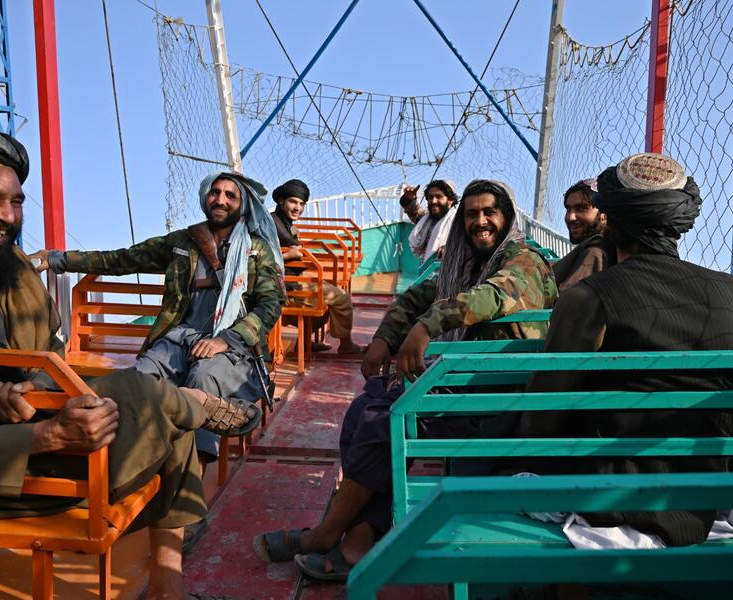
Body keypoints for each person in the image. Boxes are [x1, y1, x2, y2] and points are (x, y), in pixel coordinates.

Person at [0, 129, 261, 599]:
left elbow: (46, 347)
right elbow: (121, 258)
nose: (7, 216)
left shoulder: (7, 267)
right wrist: (50, 434)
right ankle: (197, 404)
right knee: (153, 396)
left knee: (160, 409)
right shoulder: (184, 243)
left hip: (24, 422)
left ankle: (167, 586)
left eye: (15, 201)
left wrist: (25, 388)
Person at [255, 179, 558, 579]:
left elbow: (493, 296)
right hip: (465, 385)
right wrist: (385, 336)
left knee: (384, 419)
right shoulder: (467, 264)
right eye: (471, 214)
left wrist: (428, 326)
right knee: (365, 409)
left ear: (507, 217)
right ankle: (357, 541)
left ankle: (328, 535)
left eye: (490, 213)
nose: (480, 222)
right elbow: (420, 295)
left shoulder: (523, 261)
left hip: (497, 401)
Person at [517, 153, 733, 547]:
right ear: (679, 223)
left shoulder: (588, 298)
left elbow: (541, 424)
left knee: (483, 461)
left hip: (612, 497)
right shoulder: (727, 291)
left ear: (610, 221)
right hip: (706, 493)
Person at [31, 171, 286, 472]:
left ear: (242, 204)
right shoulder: (184, 241)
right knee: (139, 380)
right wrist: (58, 259)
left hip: (232, 346)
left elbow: (271, 303)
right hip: (178, 339)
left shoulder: (256, 250)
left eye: (230, 195)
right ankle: (125, 465)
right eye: (215, 192)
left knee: (204, 379)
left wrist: (225, 340)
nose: (220, 199)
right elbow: (122, 259)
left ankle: (190, 482)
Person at [271, 178, 364, 354]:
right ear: (281, 201)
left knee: (330, 299)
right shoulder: (270, 224)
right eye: (293, 202)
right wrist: (287, 256)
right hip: (283, 287)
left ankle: (304, 344)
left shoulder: (282, 222)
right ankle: (346, 345)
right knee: (342, 299)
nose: (298, 208)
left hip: (291, 281)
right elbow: (258, 257)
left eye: (302, 203)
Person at [553, 178, 611, 290]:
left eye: (582, 208)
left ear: (604, 215)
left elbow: (568, 302)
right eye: (568, 209)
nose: (571, 217)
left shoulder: (595, 254)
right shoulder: (590, 250)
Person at [399, 179, 459, 262]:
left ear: (451, 200)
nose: (433, 201)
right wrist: (408, 198)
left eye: (438, 197)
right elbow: (414, 211)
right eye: (430, 197)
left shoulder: (459, 221)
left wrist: (450, 247)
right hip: (426, 272)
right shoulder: (426, 220)